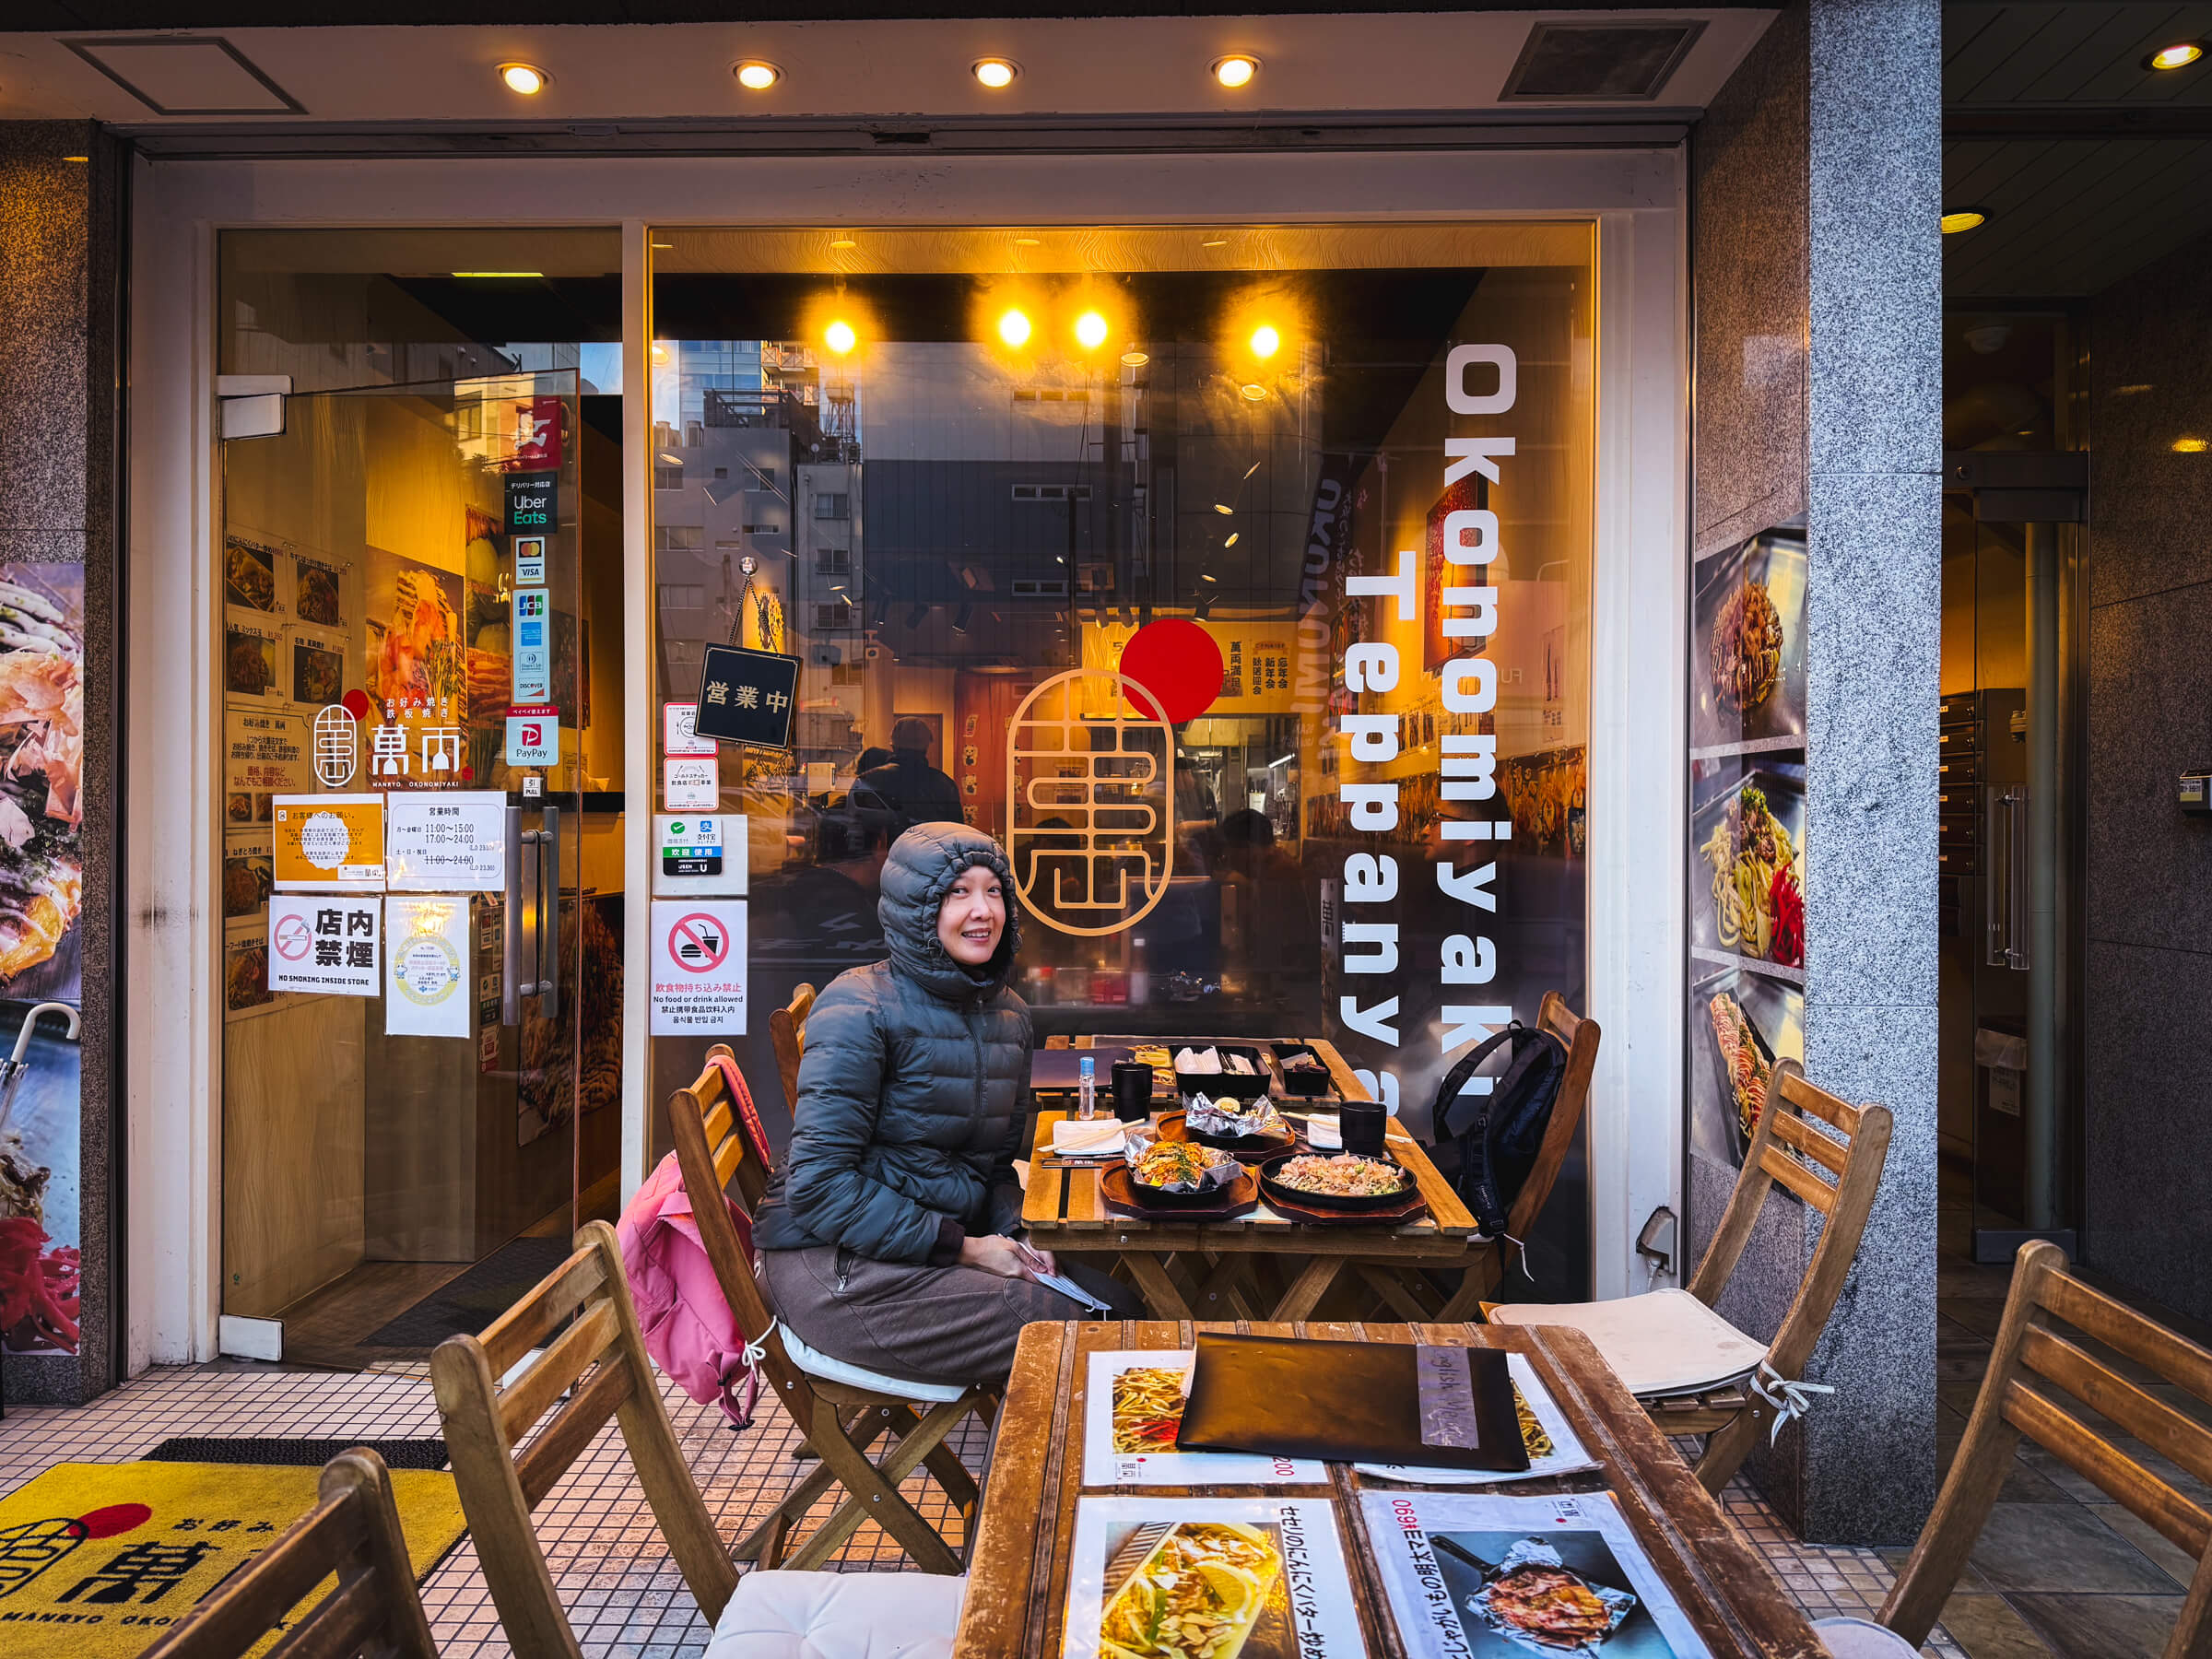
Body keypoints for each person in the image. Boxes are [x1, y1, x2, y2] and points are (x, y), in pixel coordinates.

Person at [752, 822, 1138, 1384]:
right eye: (957, 892)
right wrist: (967, 1250)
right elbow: (819, 1188)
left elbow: (997, 1166)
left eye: (993, 890)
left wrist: (1018, 1231)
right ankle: (1039, 1471)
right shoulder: (859, 1007)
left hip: (925, 1244)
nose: (982, 910)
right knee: (1078, 1338)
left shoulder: (1009, 1015)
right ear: (914, 908)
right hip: (837, 1267)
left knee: (1119, 1301)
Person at [856, 718, 962, 830]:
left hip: (889, 847)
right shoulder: (945, 784)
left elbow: (858, 827)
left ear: (893, 745)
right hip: (930, 847)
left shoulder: (869, 779)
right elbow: (956, 832)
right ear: (926, 746)